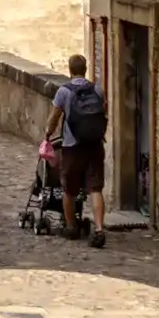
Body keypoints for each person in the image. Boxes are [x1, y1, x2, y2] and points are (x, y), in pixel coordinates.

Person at [43, 51, 110, 247]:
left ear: (70, 70)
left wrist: (47, 135)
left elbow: (54, 117)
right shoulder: (97, 89)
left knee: (69, 189)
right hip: (95, 145)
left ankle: (71, 226)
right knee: (95, 188)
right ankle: (99, 229)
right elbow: (104, 111)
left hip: (72, 146)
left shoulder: (64, 91)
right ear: (85, 69)